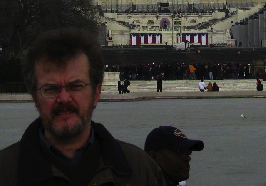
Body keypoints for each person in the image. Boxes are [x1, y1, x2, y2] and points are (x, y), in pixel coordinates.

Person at [0, 28, 166, 186]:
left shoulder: (142, 170)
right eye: (51, 89)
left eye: (75, 86)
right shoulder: (5, 172)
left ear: (96, 93)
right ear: (35, 97)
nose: (64, 99)